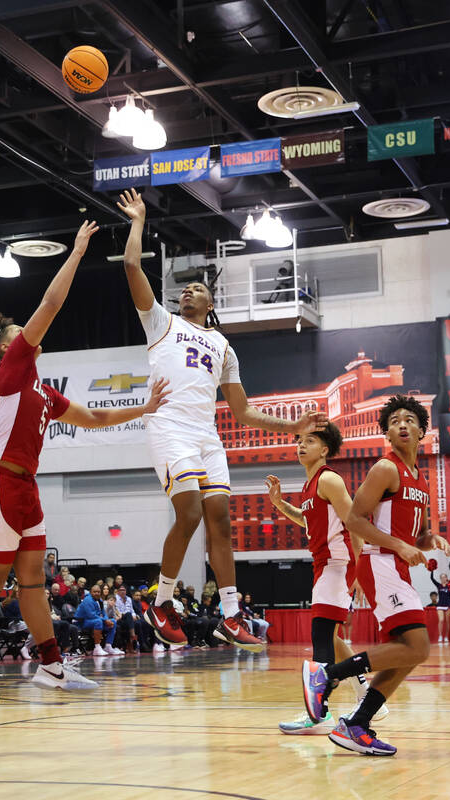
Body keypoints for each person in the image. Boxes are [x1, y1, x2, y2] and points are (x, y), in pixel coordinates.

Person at [0, 220, 170, 702]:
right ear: (10, 345)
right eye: (19, 331)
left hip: (27, 487)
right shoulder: (12, 369)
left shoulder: (43, 392)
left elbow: (93, 416)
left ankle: (51, 665)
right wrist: (76, 252)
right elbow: (51, 304)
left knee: (33, 581)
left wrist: (146, 407)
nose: (28, 333)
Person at [116, 188, 324, 653]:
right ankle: (160, 602)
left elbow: (243, 411)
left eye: (197, 289)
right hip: (169, 426)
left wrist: (292, 428)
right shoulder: (161, 323)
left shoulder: (225, 348)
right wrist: (138, 221)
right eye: (184, 288)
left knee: (221, 526)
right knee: (187, 512)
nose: (187, 290)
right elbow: (132, 267)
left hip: (207, 437)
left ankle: (231, 615)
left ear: (211, 304)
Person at [301, 395, 449, 757]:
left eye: (410, 420)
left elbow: (417, 535)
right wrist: (400, 547)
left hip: (395, 563)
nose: (402, 424)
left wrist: (430, 540)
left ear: (422, 432)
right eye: (395, 420)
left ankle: (357, 724)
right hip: (379, 561)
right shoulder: (386, 468)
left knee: (409, 653)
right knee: (418, 647)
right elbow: (354, 520)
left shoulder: (421, 480)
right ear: (386, 431)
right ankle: (328, 676)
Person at [270, 422, 383, 734]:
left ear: (324, 449)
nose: (301, 445)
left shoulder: (329, 479)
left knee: (320, 636)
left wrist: (361, 569)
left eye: (310, 440)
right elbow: (307, 519)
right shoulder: (310, 486)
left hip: (338, 563)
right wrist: (281, 505)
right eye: (299, 440)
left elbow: (354, 520)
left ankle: (318, 715)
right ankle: (367, 695)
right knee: (331, 637)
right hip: (325, 564)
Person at [429, 571, 450, 643]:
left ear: (446, 578)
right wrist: (432, 570)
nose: (443, 578)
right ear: (440, 579)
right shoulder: (439, 585)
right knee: (441, 620)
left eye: (444, 577)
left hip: (448, 604)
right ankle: (440, 636)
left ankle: (446, 636)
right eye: (442, 577)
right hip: (440, 605)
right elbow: (432, 578)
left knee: (447, 621)